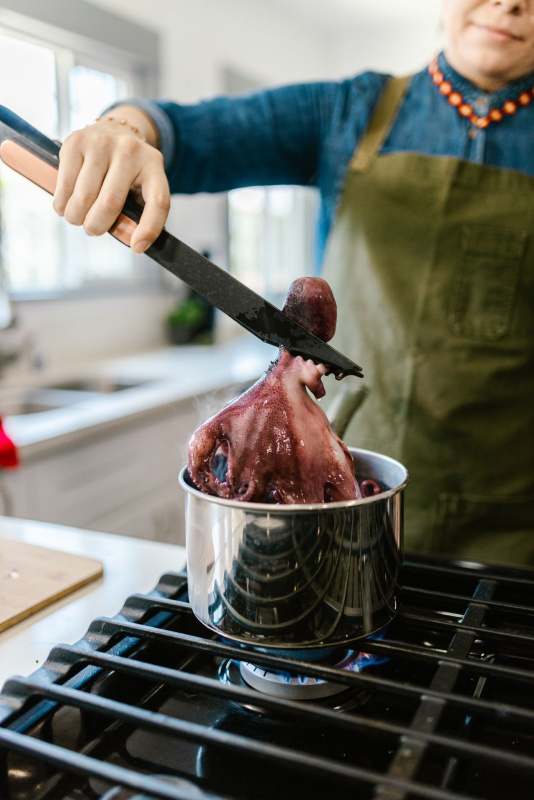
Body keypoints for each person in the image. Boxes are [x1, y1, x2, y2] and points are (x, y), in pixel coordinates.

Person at [52, 0, 534, 566]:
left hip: (506, 530)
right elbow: (188, 131)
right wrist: (122, 130)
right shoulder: (348, 111)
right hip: (341, 504)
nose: (511, 2)